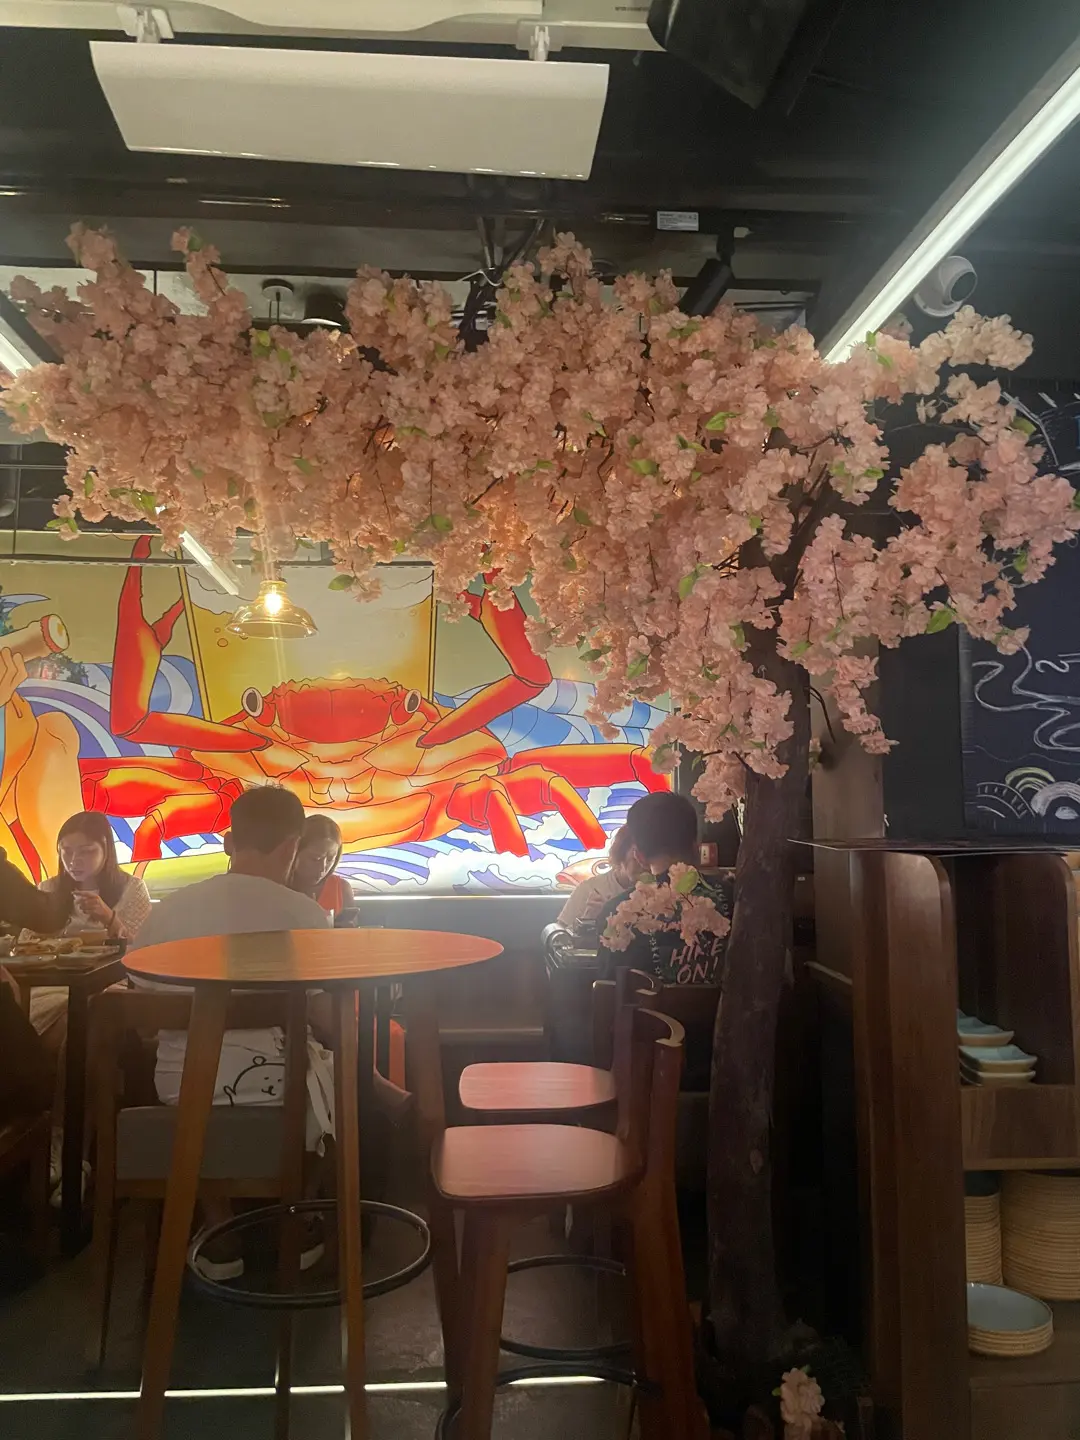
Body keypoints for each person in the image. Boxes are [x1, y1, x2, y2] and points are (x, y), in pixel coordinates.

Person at [128, 786, 333, 1279]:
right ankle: (295, 1214)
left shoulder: (169, 911)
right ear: (292, 847)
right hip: (279, 1088)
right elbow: (327, 1014)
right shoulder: (303, 914)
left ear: (230, 841)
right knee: (336, 1084)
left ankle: (219, 1222)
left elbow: (142, 1013)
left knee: (193, 1087)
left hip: (179, 1085)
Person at [596, 791, 731, 985]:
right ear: (696, 847)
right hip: (724, 1007)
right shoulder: (735, 899)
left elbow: (608, 991)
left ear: (639, 856)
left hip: (643, 1007)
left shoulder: (617, 914)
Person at [40, 811, 152, 942]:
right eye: (67, 851)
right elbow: (26, 941)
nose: (73, 861)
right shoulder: (48, 888)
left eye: (86, 851)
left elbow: (144, 946)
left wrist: (109, 918)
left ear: (106, 849)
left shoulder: (132, 888)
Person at [556, 826, 641, 933]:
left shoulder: (657, 891)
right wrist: (588, 918)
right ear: (621, 855)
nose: (644, 865)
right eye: (636, 858)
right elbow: (559, 935)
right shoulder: (590, 888)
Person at [290, 814, 351, 916]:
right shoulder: (275, 887)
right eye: (315, 859)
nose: (322, 868)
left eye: (330, 859)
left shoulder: (341, 889)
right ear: (295, 852)